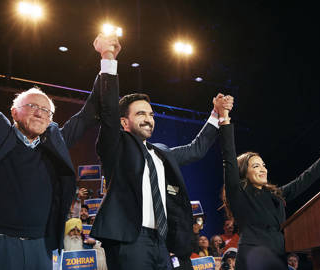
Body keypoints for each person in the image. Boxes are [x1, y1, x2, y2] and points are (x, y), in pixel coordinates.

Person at [0, 3, 103, 269]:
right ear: (14, 112)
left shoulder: (56, 142)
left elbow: (88, 113)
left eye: (46, 110)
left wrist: (106, 59)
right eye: (32, 106)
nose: (40, 113)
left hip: (39, 247)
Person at [88, 33, 234, 270]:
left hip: (161, 242)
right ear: (123, 123)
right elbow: (108, 110)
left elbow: (196, 149)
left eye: (151, 114)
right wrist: (108, 58)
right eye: (140, 114)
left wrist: (216, 115)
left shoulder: (161, 152)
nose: (148, 119)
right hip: (129, 240)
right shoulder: (116, 146)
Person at [218, 99, 320, 270]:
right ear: (244, 172)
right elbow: (229, 156)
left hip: (278, 257)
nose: (263, 169)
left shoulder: (275, 194)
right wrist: (224, 117)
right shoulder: (238, 193)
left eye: (264, 165)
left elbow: (303, 180)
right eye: (256, 166)